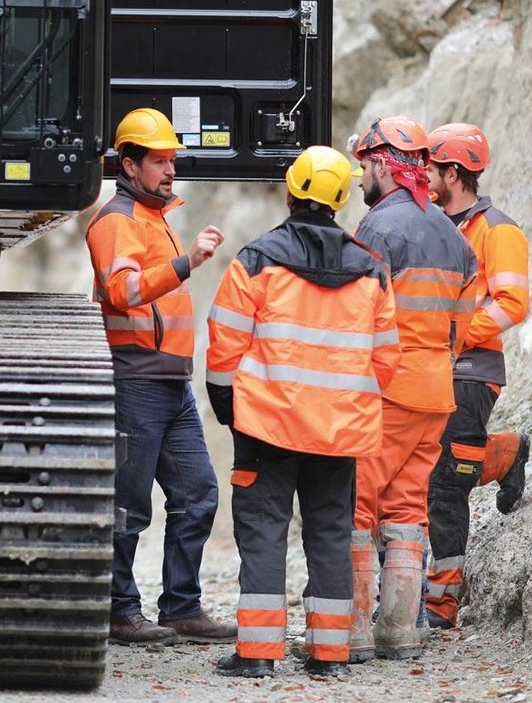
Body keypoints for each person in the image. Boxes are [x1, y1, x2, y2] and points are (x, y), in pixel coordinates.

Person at [206, 146, 400, 678]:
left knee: (264, 531)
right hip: (339, 432)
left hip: (267, 427)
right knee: (331, 534)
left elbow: (224, 343)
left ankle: (259, 654)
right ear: (340, 200)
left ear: (291, 192)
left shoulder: (256, 260)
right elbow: (386, 360)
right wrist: (345, 402)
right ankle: (330, 655)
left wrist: (227, 404)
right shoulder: (372, 272)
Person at [85, 107, 234, 645]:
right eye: (159, 161)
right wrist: (187, 262)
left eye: (173, 161)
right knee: (127, 505)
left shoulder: (154, 221)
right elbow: (122, 292)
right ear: (128, 165)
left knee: (199, 495)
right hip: (135, 383)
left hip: (172, 384)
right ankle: (119, 610)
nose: (170, 171)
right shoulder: (115, 222)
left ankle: (181, 607)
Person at [348, 116, 477, 662]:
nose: (359, 181)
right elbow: (464, 322)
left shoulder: (378, 229)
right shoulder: (452, 232)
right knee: (406, 509)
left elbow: (359, 315)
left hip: (388, 391)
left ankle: (347, 633)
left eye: (362, 167)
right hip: (435, 391)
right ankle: (400, 632)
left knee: (355, 506)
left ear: (382, 164)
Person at [423, 123, 531, 630]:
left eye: (430, 167)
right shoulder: (433, 223)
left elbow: (513, 303)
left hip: (473, 366)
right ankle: (503, 452)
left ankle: (440, 605)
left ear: (452, 172)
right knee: (438, 467)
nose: (422, 175)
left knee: (447, 483)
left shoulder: (498, 230)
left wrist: (457, 336)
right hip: (432, 364)